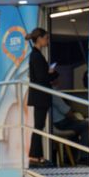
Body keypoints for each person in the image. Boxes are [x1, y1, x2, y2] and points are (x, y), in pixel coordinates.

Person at [26, 28, 57, 166]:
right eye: (46, 38)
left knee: (39, 125)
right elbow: (42, 77)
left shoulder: (36, 55)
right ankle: (34, 155)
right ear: (39, 39)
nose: (47, 41)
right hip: (40, 96)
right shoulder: (36, 56)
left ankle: (37, 155)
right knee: (38, 125)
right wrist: (52, 73)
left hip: (40, 96)